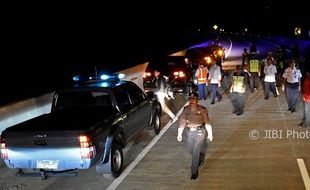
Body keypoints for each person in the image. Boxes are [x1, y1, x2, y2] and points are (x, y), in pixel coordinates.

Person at [177, 92, 213, 180]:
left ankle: (194, 172)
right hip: (189, 131)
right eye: (190, 98)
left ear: (197, 100)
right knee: (191, 150)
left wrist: (210, 134)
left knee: (196, 150)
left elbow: (207, 122)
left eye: (194, 98)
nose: (191, 100)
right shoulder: (185, 109)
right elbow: (182, 122)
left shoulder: (202, 109)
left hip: (200, 131)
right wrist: (179, 133)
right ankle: (200, 156)